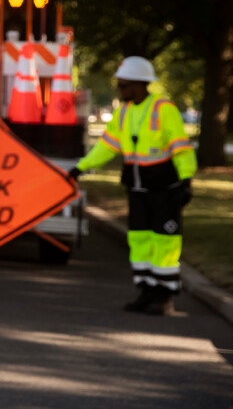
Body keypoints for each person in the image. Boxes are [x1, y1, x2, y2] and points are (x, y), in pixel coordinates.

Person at [68, 56, 197, 316]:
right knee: (138, 239)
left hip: (165, 187)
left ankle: (164, 294)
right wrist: (81, 167)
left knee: (164, 240)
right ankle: (146, 289)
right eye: (119, 85)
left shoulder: (164, 109)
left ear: (140, 84)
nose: (121, 90)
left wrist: (186, 181)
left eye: (124, 86)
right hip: (137, 187)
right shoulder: (124, 112)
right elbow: (107, 145)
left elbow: (180, 147)